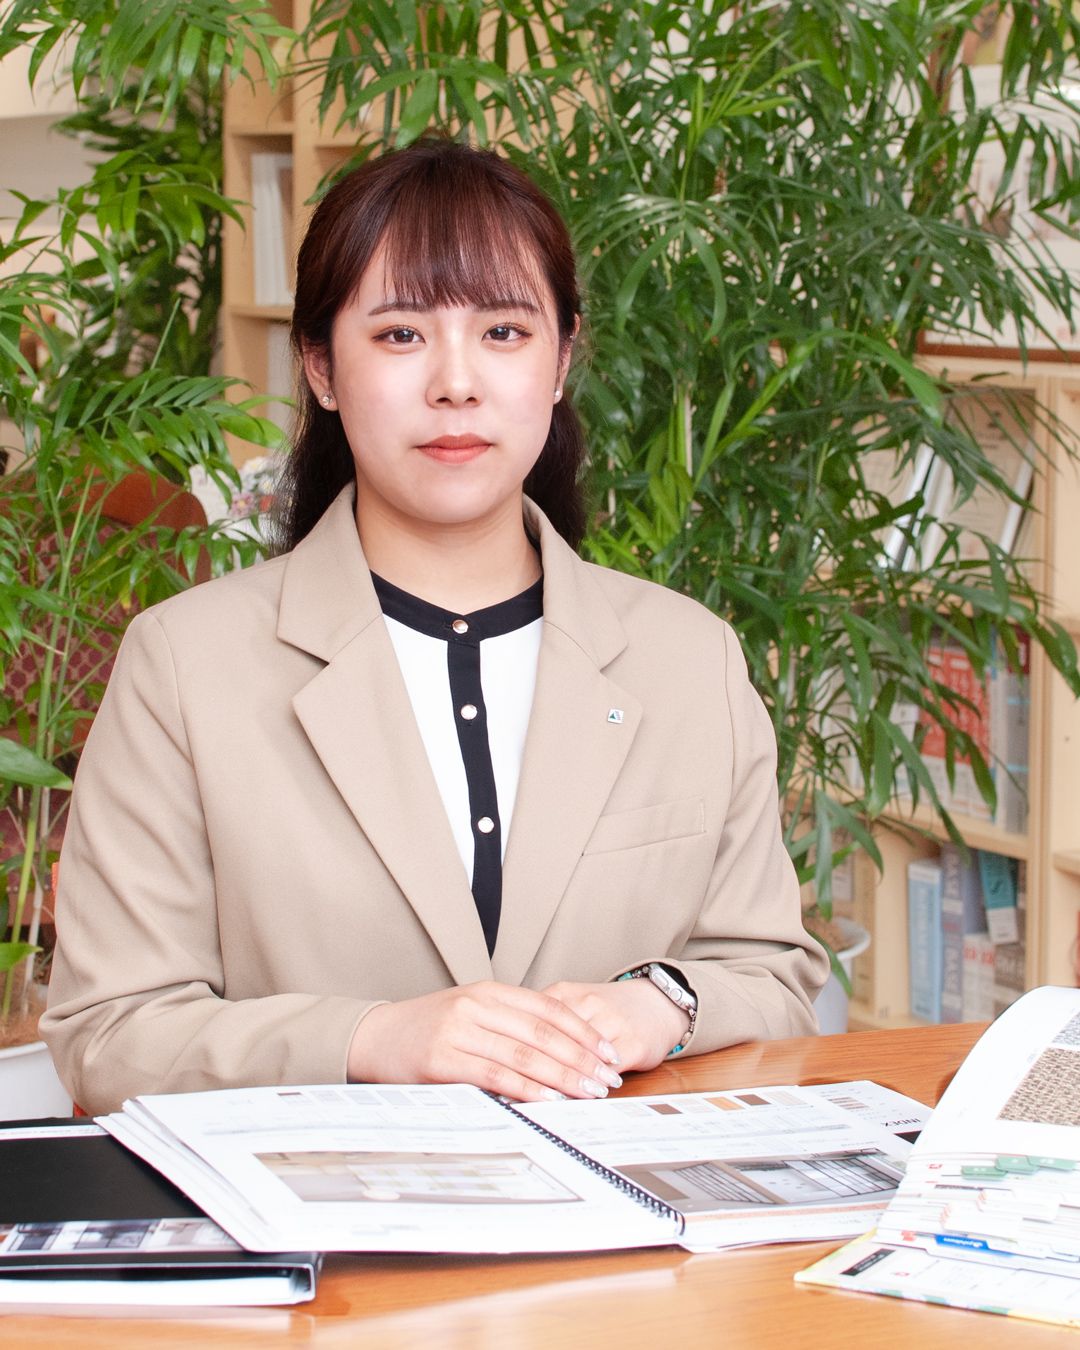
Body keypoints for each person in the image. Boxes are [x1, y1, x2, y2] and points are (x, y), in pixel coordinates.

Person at [43, 139, 828, 1116]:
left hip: (623, 1208)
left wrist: (661, 1003)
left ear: (561, 361)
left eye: (503, 331)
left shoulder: (688, 658)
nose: (457, 383)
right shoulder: (185, 666)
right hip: (326, 1208)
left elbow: (773, 975)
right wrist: (373, 1039)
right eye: (402, 334)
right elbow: (110, 1036)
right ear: (322, 368)